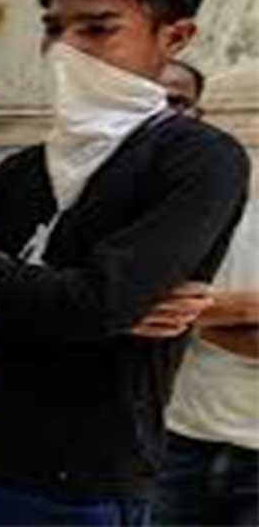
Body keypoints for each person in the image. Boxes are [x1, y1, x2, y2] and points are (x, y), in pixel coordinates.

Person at [0, 0, 250, 526]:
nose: (65, 49)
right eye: (54, 29)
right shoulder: (25, 170)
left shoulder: (197, 160)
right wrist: (72, 300)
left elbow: (99, 304)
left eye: (98, 29)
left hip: (82, 476)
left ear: (174, 37)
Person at [153, 61, 259, 526]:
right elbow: (141, 303)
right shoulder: (219, 212)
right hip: (179, 438)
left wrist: (195, 316)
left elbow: (168, 312)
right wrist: (235, 312)